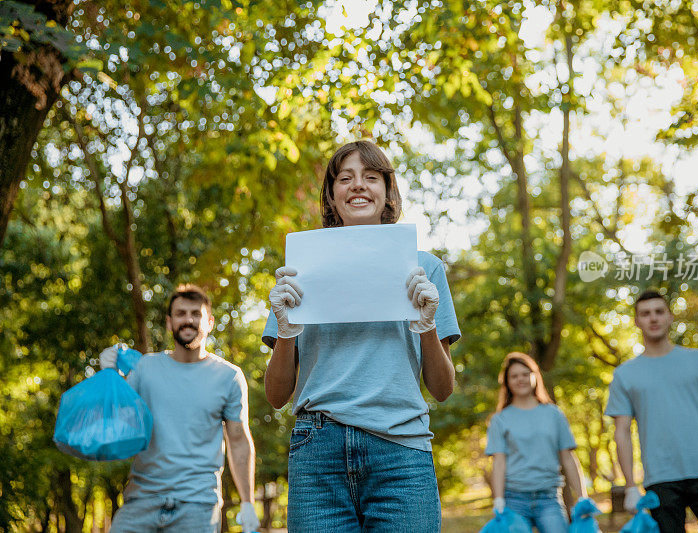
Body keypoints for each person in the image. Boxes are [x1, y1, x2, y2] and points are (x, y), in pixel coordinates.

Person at [262, 140, 460, 532]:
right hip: (318, 452)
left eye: (371, 177)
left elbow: (442, 388)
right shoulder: (299, 270)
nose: (358, 186)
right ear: (331, 195)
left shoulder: (425, 269)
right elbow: (276, 395)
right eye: (345, 178)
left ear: (387, 192)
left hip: (401, 451)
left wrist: (427, 325)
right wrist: (285, 332)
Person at [99, 284, 259, 533]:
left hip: (198, 505)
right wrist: (110, 377)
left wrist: (248, 503)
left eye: (196, 314)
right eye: (181, 313)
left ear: (210, 322)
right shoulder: (144, 368)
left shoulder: (229, 376)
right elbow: (118, 422)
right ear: (169, 322)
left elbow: (238, 441)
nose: (188, 320)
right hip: (141, 499)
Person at [605, 290, 698, 533]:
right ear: (636, 321)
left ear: (670, 317)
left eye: (658, 311)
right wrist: (630, 485)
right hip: (660, 480)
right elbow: (621, 432)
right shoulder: (625, 374)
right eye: (645, 313)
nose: (653, 318)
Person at [485, 352, 589, 532]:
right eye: (514, 376)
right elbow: (499, 463)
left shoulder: (554, 414)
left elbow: (568, 458)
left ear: (535, 376)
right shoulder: (500, 420)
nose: (521, 379)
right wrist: (499, 500)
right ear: (507, 382)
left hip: (549, 498)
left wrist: (582, 498)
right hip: (513, 500)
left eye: (525, 374)